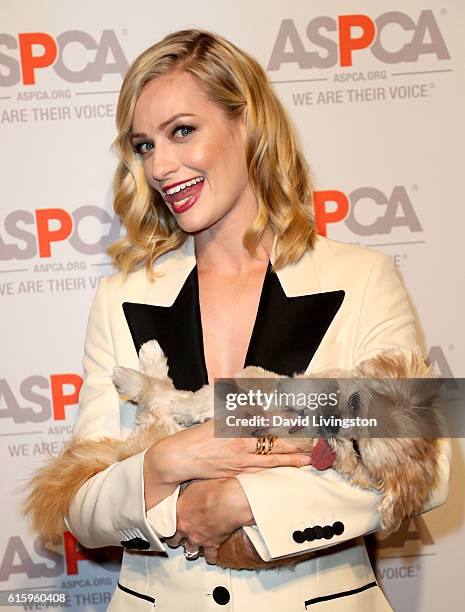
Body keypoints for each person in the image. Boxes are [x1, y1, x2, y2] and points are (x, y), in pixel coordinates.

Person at [64, 29, 451, 611]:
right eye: (144, 146)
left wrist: (243, 501)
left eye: (182, 131)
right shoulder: (119, 297)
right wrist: (172, 465)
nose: (161, 166)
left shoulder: (361, 277)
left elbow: (428, 467)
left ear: (247, 125)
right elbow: (83, 507)